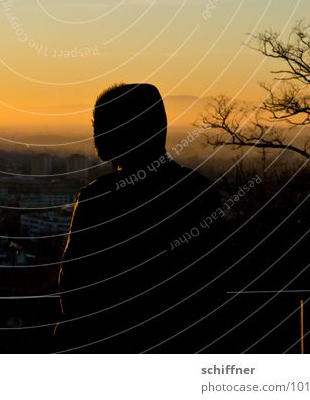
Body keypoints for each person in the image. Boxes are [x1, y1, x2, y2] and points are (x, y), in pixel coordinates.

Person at [54, 83, 224, 352]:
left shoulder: (98, 200)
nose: (96, 136)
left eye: (100, 126)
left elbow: (73, 292)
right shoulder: (200, 192)